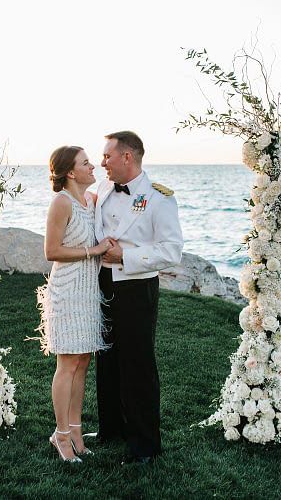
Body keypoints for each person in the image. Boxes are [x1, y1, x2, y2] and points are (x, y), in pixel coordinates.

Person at [94, 130, 183, 464]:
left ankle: (145, 445)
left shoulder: (159, 198)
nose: (102, 162)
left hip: (136, 287)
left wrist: (125, 259)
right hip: (102, 283)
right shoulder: (102, 189)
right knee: (107, 358)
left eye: (107, 156)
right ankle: (111, 429)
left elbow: (171, 251)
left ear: (127, 157)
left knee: (138, 364)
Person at [36, 145, 113, 464]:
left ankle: (77, 431)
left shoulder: (92, 200)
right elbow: (51, 251)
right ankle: (61, 435)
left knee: (83, 361)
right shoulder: (61, 203)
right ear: (70, 172)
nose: (93, 165)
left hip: (88, 291)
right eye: (86, 163)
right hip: (67, 290)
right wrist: (92, 252)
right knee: (67, 364)